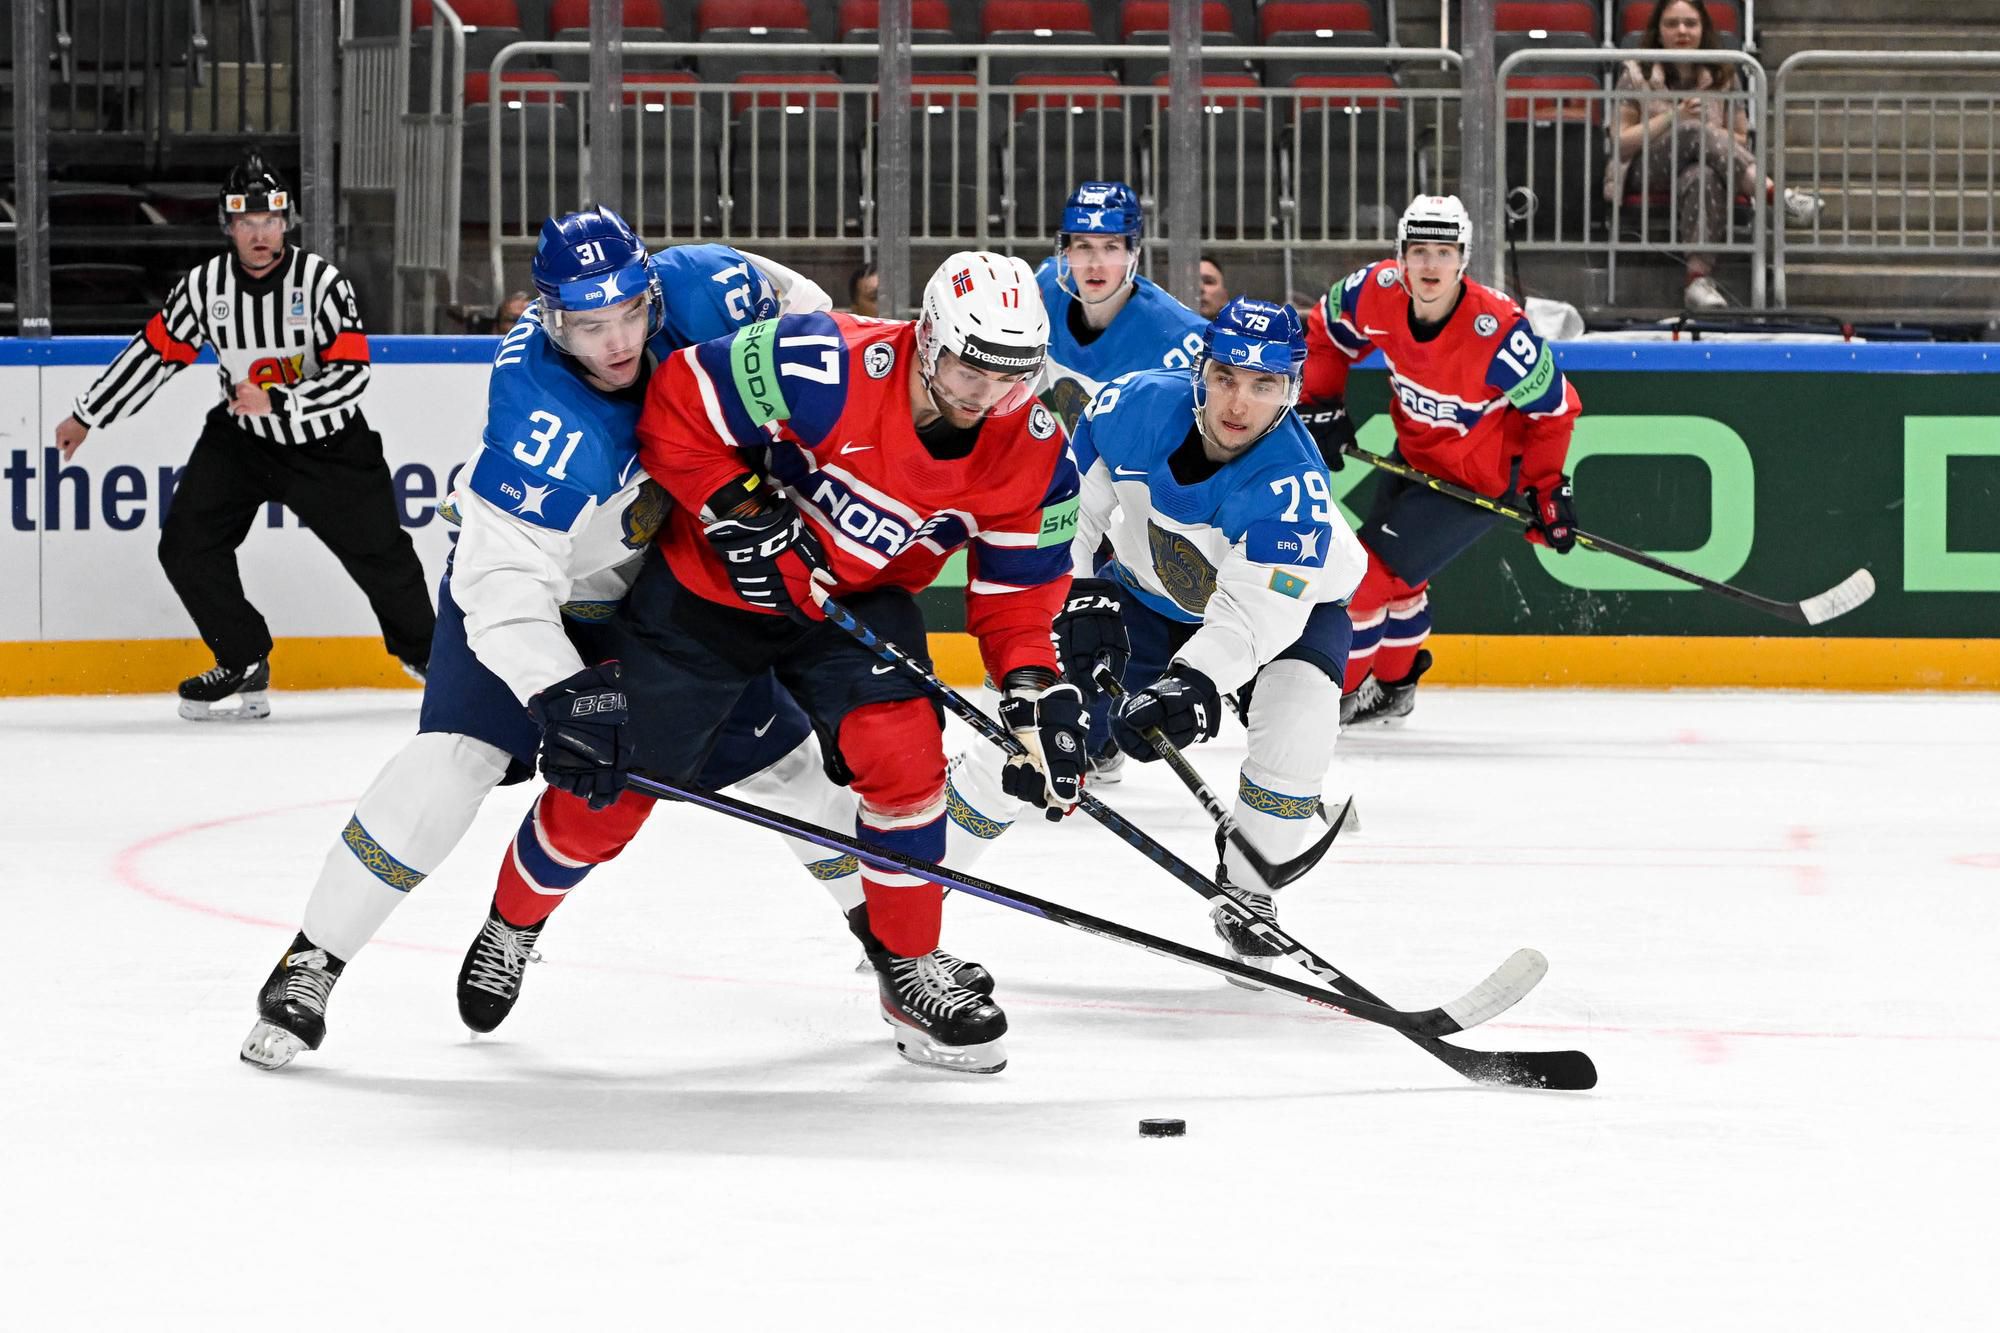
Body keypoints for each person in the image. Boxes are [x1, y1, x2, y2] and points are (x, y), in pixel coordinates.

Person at [240, 210, 853, 1070]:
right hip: (546, 602)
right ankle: (312, 959)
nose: (617, 342)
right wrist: (560, 689)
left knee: (792, 769)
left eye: (631, 315)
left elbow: (817, 324)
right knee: (452, 762)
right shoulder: (542, 412)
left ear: (651, 288)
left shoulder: (709, 286)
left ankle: (896, 951)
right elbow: (501, 587)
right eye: (590, 326)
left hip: (668, 593)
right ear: (550, 318)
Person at [448, 251, 1085, 1075]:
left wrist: (1033, 689)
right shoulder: (822, 360)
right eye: (969, 367)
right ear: (929, 337)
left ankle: (910, 966)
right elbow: (678, 401)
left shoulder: (1034, 447)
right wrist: (734, 507)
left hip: (857, 603)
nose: (984, 396)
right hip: (709, 591)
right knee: (611, 785)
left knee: (905, 759)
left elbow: (1017, 597)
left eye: (1010, 377)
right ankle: (514, 919)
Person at [939, 299, 1366, 975]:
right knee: (1032, 726)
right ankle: (915, 871)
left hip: (1294, 616)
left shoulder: (1292, 489)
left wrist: (1191, 684)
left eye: (1263, 384)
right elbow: (1067, 509)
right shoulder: (1132, 407)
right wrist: (1076, 592)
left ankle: (1249, 895)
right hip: (1144, 595)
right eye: (1226, 375)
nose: (1238, 402)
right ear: (1201, 370)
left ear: (1289, 391)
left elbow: (1254, 617)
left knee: (1298, 722)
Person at [53, 150, 434, 719]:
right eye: (247, 222)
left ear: (287, 222)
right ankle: (242, 657)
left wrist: (280, 398)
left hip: (328, 444)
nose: (260, 233)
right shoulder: (205, 287)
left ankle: (432, 658)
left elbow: (352, 375)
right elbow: (155, 354)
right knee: (185, 546)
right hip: (242, 441)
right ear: (228, 226)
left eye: (271, 220)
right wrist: (88, 414)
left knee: (384, 556)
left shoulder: (323, 284)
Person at [1299, 194, 1581, 726]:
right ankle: (1393, 688)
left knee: (1364, 580)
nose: (1431, 264)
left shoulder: (1498, 330)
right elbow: (1323, 333)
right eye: (1420, 250)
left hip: (1477, 480)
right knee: (1399, 585)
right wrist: (1322, 403)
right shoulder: (1373, 291)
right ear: (1400, 256)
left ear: (1463, 259)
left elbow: (1556, 411)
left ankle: (1335, 696)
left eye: (1444, 252)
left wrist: (1547, 491)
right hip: (1414, 454)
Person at [1607, 0, 1823, 309]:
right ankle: (1774, 195)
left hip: (1707, 164)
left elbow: (1739, 138)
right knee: (1692, 129)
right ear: (1658, 31)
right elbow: (1620, 140)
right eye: (1672, 24)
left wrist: (1707, 136)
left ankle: (1697, 281)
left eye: (1690, 23)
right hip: (1645, 167)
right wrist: (1675, 118)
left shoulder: (1723, 72)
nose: (1682, 31)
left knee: (1702, 175)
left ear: (1703, 30)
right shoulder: (1635, 72)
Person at [1034, 180, 1207, 431]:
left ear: (1133, 253)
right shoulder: (1045, 289)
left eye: (1111, 247)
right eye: (1084, 246)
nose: (1096, 264)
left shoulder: (1179, 336)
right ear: (1067, 252)